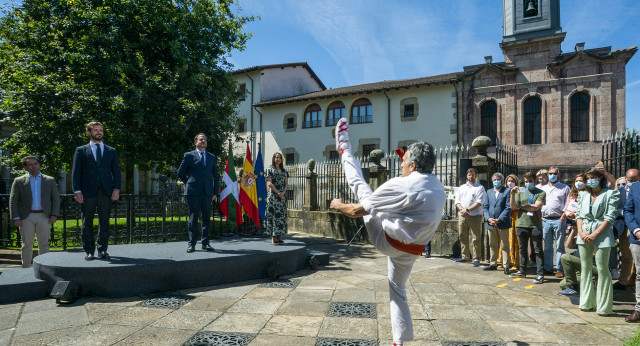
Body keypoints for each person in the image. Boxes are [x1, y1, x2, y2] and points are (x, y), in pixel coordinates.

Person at [329, 118, 445, 346]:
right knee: (398, 289)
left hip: (387, 241)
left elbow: (354, 211)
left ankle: (344, 149)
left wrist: (337, 205)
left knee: (362, 190)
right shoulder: (438, 186)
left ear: (412, 165)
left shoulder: (403, 185)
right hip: (413, 251)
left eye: (403, 160)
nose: (400, 164)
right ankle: (399, 341)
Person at [72, 121, 121, 260]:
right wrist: (77, 191)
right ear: (89, 132)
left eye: (101, 130)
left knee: (105, 221)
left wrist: (116, 189)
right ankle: (89, 250)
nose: (99, 132)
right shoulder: (81, 150)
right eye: (96, 130)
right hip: (87, 192)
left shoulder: (111, 151)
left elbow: (116, 172)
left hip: (106, 191)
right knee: (87, 222)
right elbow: (76, 173)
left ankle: (102, 249)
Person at [576, 168, 618, 316]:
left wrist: (595, 234)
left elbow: (610, 217)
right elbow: (579, 215)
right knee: (585, 267)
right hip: (584, 232)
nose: (590, 180)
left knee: (602, 269)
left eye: (593, 177)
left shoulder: (610, 194)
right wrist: (580, 232)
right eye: (588, 178)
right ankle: (587, 302)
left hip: (602, 233)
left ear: (600, 179)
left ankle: (604, 307)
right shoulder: (583, 194)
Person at [9, 156, 60, 268]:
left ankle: (45, 269)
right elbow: (13, 201)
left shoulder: (49, 180)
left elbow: (56, 199)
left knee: (44, 244)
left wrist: (54, 214)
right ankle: (26, 268)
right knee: (27, 244)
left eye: (35, 163)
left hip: (44, 216)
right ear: (25, 167)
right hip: (26, 217)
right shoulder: (19, 181)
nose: (34, 167)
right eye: (30, 165)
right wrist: (16, 217)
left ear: (39, 164)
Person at [177, 133, 219, 253]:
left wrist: (215, 192)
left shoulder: (211, 157)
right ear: (195, 142)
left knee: (206, 218)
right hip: (193, 192)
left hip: (207, 193)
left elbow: (215, 175)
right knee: (193, 218)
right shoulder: (189, 155)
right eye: (201, 140)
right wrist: (189, 183)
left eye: (205, 140)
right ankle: (192, 244)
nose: (203, 142)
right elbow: (180, 172)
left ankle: (205, 243)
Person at [510, 171, 546, 283]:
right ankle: (522, 270)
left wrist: (521, 206)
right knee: (522, 249)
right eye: (525, 181)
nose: (528, 183)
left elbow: (535, 207)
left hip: (535, 225)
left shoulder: (541, 192)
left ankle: (540, 274)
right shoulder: (521, 190)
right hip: (521, 224)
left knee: (538, 250)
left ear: (535, 180)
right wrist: (512, 194)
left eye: (530, 181)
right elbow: (513, 207)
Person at [539, 166, 570, 277]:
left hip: (559, 219)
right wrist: (540, 216)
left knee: (560, 246)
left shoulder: (565, 188)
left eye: (554, 173)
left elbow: (568, 203)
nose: (552, 175)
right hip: (546, 219)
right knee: (547, 246)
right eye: (550, 173)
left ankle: (559, 269)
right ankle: (548, 267)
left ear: (559, 175)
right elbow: (539, 202)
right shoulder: (543, 188)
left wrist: (563, 217)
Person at [454, 168, 487, 267]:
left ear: (475, 176)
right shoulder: (462, 187)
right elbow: (457, 201)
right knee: (462, 236)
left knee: (475, 237)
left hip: (475, 216)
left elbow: (479, 202)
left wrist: (467, 210)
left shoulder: (480, 188)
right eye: (469, 175)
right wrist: (462, 210)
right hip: (462, 215)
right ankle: (465, 256)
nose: (470, 177)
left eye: (472, 175)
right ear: (467, 176)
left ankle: (476, 258)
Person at [482, 172, 512, 273]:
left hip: (502, 222)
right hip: (490, 222)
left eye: (498, 180)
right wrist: (488, 218)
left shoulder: (507, 191)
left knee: (505, 245)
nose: (496, 181)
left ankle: (506, 265)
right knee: (492, 244)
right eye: (494, 180)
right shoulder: (489, 191)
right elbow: (485, 207)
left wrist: (499, 219)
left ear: (502, 181)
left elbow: (508, 207)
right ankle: (493, 263)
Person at [614, 169, 638, 289]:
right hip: (624, 226)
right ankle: (623, 280)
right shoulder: (621, 192)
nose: (630, 183)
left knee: (635, 254)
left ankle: (632, 277)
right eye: (629, 180)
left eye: (634, 180)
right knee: (626, 254)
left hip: (636, 226)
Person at [624, 169, 640, 322]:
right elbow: (628, 211)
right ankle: (639, 309)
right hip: (638, 239)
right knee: (639, 275)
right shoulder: (635, 188)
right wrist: (636, 230)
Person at [265, 152, 289, 244]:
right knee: (274, 215)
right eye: (276, 157)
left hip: (282, 197)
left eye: (279, 157)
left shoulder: (284, 171)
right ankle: (274, 236)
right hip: (274, 196)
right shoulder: (270, 170)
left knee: (281, 216)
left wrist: (283, 192)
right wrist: (278, 192)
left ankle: (279, 235)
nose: (278, 159)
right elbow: (269, 183)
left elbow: (286, 183)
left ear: (281, 159)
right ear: (274, 159)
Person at [506, 174, 520, 271]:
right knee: (506, 240)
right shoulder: (504, 191)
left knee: (515, 240)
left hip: (515, 217)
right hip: (506, 217)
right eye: (508, 181)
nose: (510, 183)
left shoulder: (519, 191)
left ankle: (516, 261)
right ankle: (506, 260)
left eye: (512, 181)